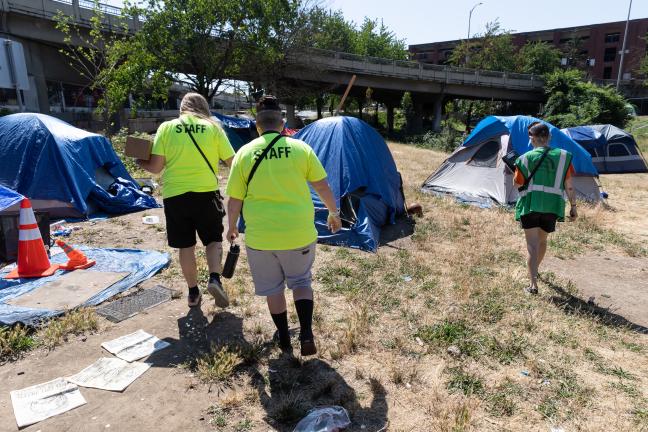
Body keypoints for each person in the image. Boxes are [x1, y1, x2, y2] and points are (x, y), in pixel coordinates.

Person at [225, 96, 341, 356]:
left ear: (257, 125)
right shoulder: (301, 149)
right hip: (298, 233)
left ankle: (285, 340)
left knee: (274, 289)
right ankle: (307, 333)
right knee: (301, 281)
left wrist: (232, 226)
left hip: (261, 238)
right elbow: (322, 186)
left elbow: (235, 200)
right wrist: (333, 213)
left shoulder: (244, 153)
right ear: (283, 123)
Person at [137, 92, 235, 308]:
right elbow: (233, 162)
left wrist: (139, 160)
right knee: (213, 240)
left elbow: (155, 168)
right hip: (206, 193)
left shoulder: (167, 127)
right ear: (204, 108)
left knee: (185, 246)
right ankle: (215, 279)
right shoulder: (213, 128)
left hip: (175, 196)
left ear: (182, 108)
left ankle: (192, 293)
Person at [513, 121, 578, 294]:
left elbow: (517, 183)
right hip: (552, 206)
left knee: (532, 245)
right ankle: (536, 270)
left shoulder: (525, 158)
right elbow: (569, 185)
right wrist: (573, 207)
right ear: (549, 137)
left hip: (531, 205)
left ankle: (533, 285)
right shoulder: (564, 157)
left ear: (531, 139)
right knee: (542, 241)